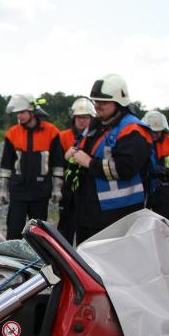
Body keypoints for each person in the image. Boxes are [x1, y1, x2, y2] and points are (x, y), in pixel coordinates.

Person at [70, 74, 153, 242]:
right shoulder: (99, 126)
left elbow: (126, 168)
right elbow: (83, 151)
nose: (97, 106)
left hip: (117, 215)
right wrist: (73, 152)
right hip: (91, 211)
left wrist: (89, 163)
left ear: (119, 103)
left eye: (103, 102)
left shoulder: (133, 129)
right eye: (96, 101)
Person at [0, 93, 64, 239]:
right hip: (18, 191)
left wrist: (57, 188)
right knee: (14, 230)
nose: (19, 116)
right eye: (17, 113)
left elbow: (58, 163)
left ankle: (39, 261)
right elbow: (6, 164)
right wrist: (3, 189)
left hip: (40, 192)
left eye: (22, 112)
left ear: (32, 111)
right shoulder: (12, 133)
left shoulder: (51, 132)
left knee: (39, 234)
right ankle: (13, 260)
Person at [58, 97, 96, 245]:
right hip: (67, 189)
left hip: (87, 190)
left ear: (91, 118)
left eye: (85, 117)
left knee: (86, 231)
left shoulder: (95, 136)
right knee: (65, 229)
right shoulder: (63, 136)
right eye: (79, 117)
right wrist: (64, 158)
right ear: (74, 118)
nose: (82, 120)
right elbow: (55, 163)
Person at [141, 110, 169, 221]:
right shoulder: (140, 141)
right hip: (143, 187)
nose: (154, 134)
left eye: (157, 131)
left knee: (164, 222)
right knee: (140, 220)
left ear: (163, 130)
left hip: (164, 188)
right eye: (151, 131)